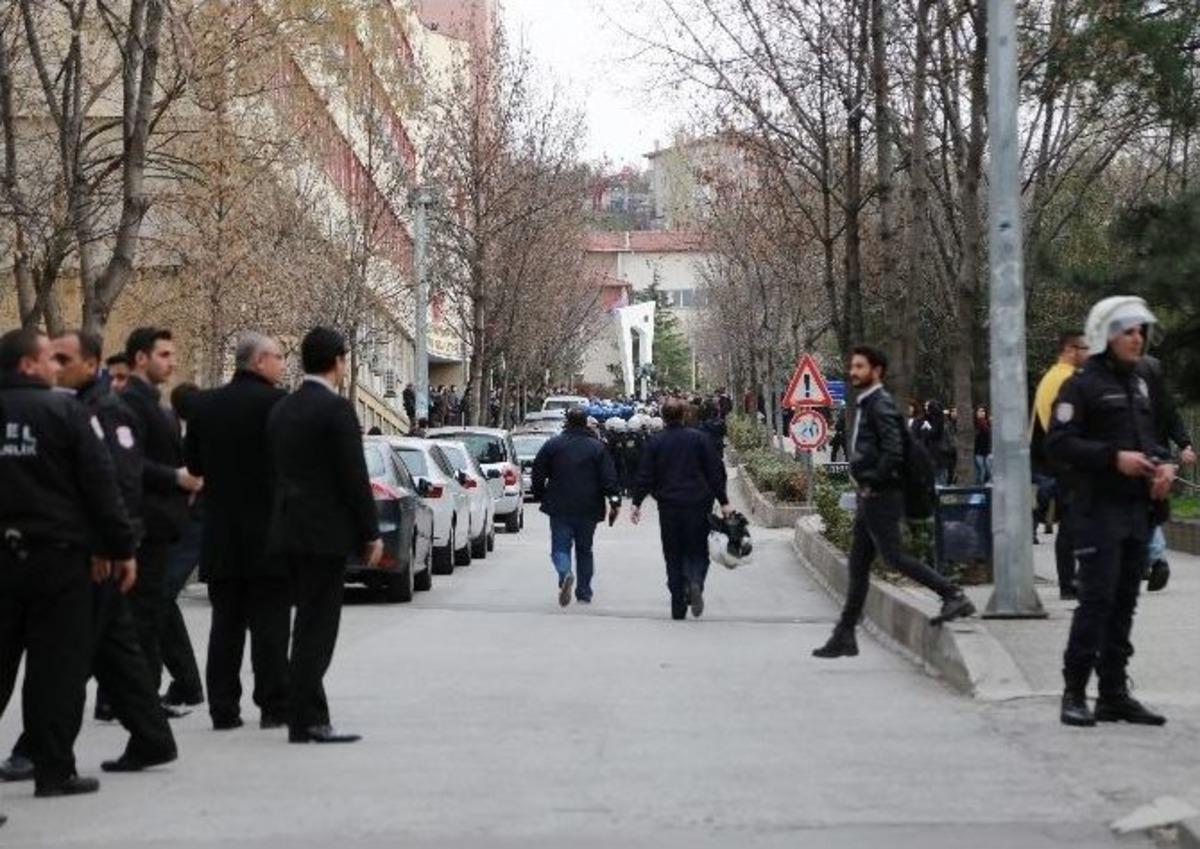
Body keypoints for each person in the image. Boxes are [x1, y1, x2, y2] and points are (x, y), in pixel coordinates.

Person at [0, 328, 137, 797]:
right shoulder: (66, 413)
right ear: (26, 366)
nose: (56, 367)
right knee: (55, 673)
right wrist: (120, 548)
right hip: (58, 562)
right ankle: (53, 771)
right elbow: (101, 487)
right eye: (48, 359)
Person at [1048, 296, 1173, 728]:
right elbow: (1059, 444)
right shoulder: (1080, 385)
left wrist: (1163, 463)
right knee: (1096, 603)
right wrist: (1112, 458)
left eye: (1140, 331)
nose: (1136, 338)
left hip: (1138, 511)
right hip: (1097, 512)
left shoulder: (1140, 383)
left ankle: (1114, 694)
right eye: (1127, 331)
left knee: (1125, 604)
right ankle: (1073, 693)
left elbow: (1148, 439)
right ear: (1105, 335)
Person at [813, 346, 975, 659]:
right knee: (858, 566)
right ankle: (844, 634)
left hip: (881, 495)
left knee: (894, 556)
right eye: (853, 365)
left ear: (877, 371)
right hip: (870, 495)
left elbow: (893, 450)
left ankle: (952, 593)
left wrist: (873, 480)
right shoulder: (869, 403)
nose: (853, 372)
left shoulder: (880, 404)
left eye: (859, 366)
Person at [266, 327, 382, 744]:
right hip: (325, 534)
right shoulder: (336, 411)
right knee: (319, 628)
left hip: (286, 529)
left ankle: (306, 712)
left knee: (304, 625)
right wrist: (370, 531)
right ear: (337, 361)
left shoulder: (282, 408)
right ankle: (307, 718)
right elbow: (354, 475)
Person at [185, 333, 289, 731]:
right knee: (271, 625)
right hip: (271, 533)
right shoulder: (280, 406)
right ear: (260, 361)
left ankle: (223, 708)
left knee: (225, 625)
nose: (282, 364)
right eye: (279, 357)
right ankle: (273, 704)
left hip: (222, 533)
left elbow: (193, 466)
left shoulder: (205, 407)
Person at [120, 327, 203, 715]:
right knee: (141, 619)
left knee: (149, 616)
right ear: (141, 358)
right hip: (144, 526)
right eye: (164, 355)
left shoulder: (157, 405)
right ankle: (141, 704)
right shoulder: (130, 405)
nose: (172, 362)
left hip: (162, 526)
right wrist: (176, 478)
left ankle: (144, 702)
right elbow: (128, 464)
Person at [631, 398, 733, 620]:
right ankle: (695, 580)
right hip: (699, 504)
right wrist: (723, 501)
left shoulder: (656, 442)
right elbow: (715, 472)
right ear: (684, 415)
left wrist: (637, 502)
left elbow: (645, 475)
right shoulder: (700, 440)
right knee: (697, 550)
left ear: (663, 416)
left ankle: (678, 602)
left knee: (673, 553)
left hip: (669, 507)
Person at [531, 407, 621, 606]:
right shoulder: (597, 448)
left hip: (559, 505)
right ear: (586, 423)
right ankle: (584, 591)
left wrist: (540, 494)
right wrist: (615, 501)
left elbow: (538, 472)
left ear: (567, 422)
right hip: (589, 507)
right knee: (585, 550)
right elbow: (609, 478)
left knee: (560, 547)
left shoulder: (553, 445)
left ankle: (565, 572)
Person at [1031, 329, 1090, 599]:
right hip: (1069, 462)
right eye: (1084, 348)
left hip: (1058, 461)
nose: (1088, 354)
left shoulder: (1051, 378)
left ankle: (1073, 580)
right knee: (1073, 523)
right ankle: (1071, 581)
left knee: (1071, 523)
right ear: (1070, 349)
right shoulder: (1067, 380)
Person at [158, 381, 205, 712]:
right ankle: (186, 682)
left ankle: (186, 683)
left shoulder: (184, 436)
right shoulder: (189, 433)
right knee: (160, 600)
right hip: (188, 524)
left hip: (188, 524)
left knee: (159, 598)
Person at [1137, 354, 1196, 591]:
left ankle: (1150, 559)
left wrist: (1185, 446)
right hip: (1156, 459)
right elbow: (1175, 422)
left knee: (1140, 511)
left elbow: (1173, 421)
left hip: (1136, 460)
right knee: (1150, 511)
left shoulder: (1124, 391)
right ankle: (1154, 558)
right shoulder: (1161, 397)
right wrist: (1185, 446)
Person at [972, 406, 992, 485]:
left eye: (983, 411)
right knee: (981, 469)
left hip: (986, 451)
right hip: (978, 451)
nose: (981, 413)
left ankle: (985, 485)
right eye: (979, 411)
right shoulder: (975, 424)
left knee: (988, 469)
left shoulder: (987, 424)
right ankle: (980, 485)